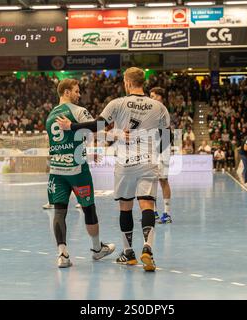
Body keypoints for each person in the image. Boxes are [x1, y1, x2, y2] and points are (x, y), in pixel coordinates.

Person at [57, 67, 171, 272]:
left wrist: (70, 127)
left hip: (125, 163)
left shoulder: (117, 104)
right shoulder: (159, 106)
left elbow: (97, 126)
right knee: (147, 205)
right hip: (148, 160)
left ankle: (129, 253)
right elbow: (166, 138)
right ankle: (148, 248)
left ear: (127, 82)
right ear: (142, 82)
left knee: (125, 207)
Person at [45, 78, 115, 268]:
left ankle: (62, 254)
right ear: (66, 92)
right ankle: (96, 249)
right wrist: (111, 135)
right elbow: (98, 126)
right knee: (88, 209)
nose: (79, 94)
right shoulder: (77, 111)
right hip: (77, 169)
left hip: (56, 170)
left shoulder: (50, 115)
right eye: (76, 91)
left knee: (59, 211)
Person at [150, 87, 172, 224]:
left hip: (163, 148)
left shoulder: (162, 110)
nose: (151, 98)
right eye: (150, 96)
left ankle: (167, 214)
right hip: (152, 148)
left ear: (160, 97)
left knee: (163, 180)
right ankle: (154, 213)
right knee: (151, 181)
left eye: (153, 96)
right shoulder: (151, 110)